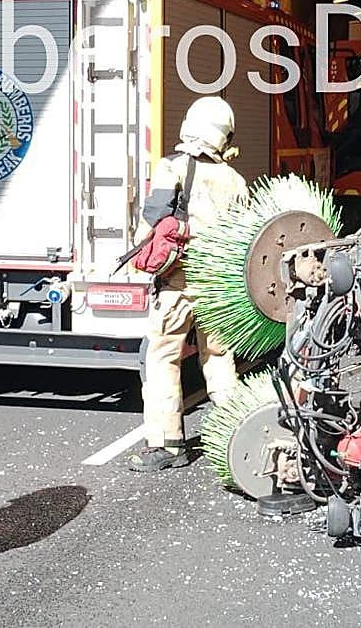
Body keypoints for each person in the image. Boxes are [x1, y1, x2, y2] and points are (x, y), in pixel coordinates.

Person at [128, 96, 249, 472]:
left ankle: (168, 445)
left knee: (163, 357)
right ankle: (236, 437)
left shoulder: (173, 167)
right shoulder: (236, 181)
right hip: (218, 285)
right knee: (219, 359)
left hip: (178, 284)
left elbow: (153, 218)